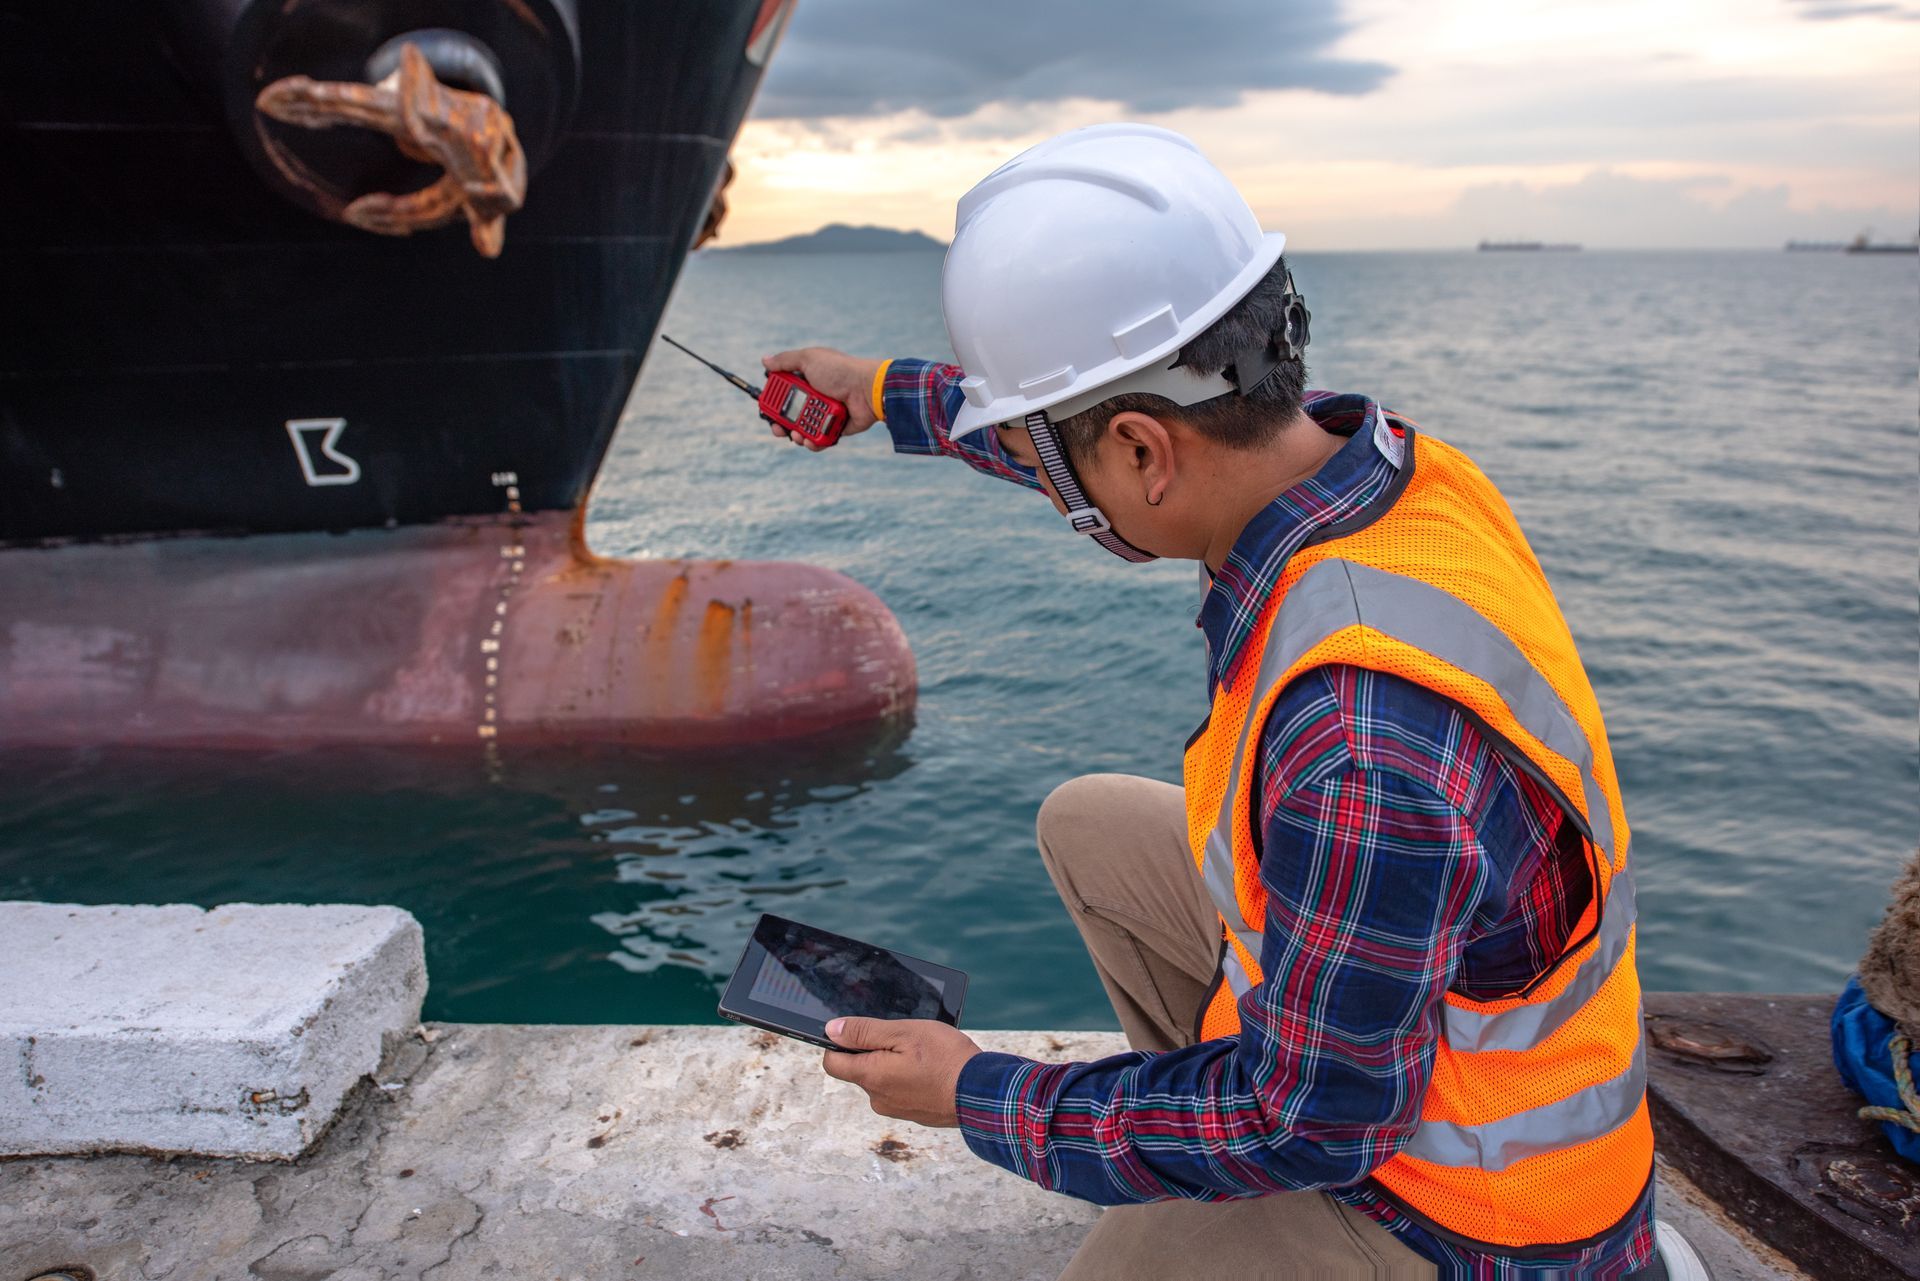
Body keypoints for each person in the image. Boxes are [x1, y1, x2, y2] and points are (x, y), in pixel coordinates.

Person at [761, 124, 1668, 1279]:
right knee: (1091, 824)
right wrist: (882, 397)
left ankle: (1228, 1195)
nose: (1053, 496)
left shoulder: (1359, 739)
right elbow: (1104, 417)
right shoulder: (1374, 466)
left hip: (1475, 1215)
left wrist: (982, 1095)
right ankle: (1190, 1153)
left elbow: (1317, 1119)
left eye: (1055, 470)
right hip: (1409, 1043)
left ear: (1145, 452)